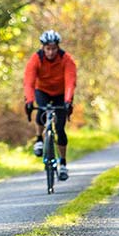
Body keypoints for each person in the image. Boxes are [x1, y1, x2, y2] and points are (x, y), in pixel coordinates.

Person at [23, 29, 77, 181]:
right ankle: (39, 139)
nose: (51, 52)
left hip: (61, 93)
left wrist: (68, 101)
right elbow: (29, 82)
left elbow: (70, 82)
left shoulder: (66, 59)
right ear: (43, 48)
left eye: (54, 48)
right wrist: (29, 101)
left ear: (58, 47)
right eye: (48, 49)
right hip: (43, 90)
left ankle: (63, 163)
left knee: (60, 128)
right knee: (41, 112)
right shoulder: (36, 59)